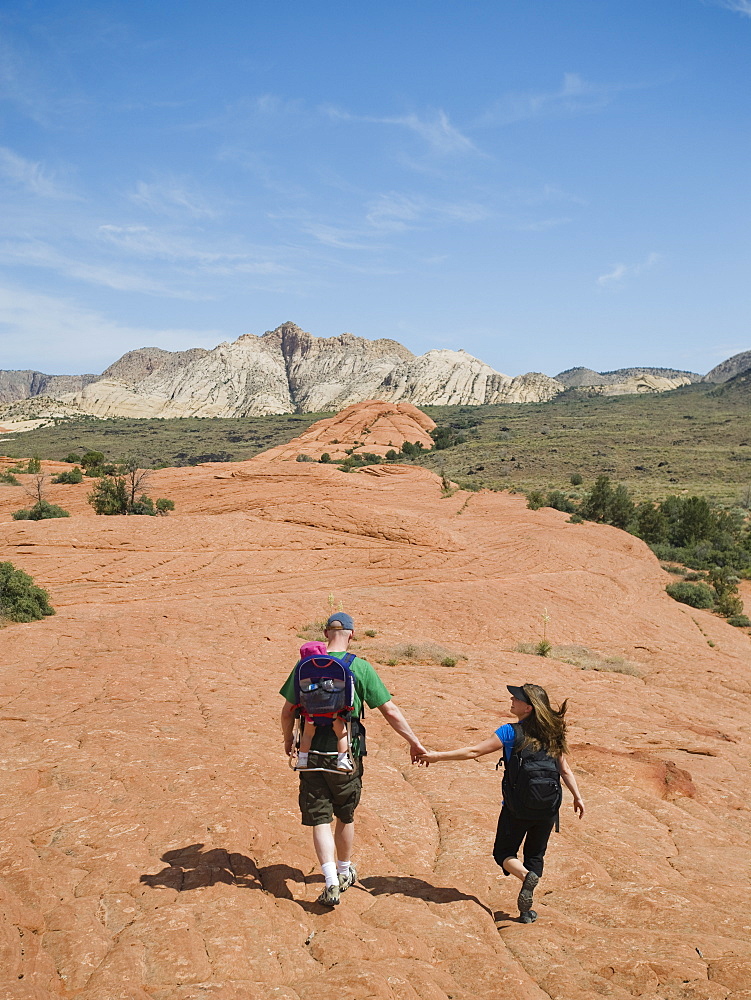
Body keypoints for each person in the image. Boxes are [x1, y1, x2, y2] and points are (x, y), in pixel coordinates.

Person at [280, 612, 427, 907]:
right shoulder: (359, 667)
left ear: (325, 633)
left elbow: (287, 711)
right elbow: (390, 710)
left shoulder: (304, 666)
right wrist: (414, 742)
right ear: (351, 634)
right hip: (346, 753)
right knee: (344, 815)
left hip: (311, 755)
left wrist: (290, 742)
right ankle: (345, 871)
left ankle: (330, 881)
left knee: (320, 818)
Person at [417, 682, 584, 923]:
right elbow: (564, 769)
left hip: (517, 807)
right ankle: (526, 911)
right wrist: (578, 797)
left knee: (503, 852)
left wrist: (437, 757)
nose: (511, 700)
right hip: (548, 807)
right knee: (535, 854)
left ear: (528, 707)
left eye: (516, 699)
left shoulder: (510, 732)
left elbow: (474, 751)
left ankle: (526, 876)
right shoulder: (552, 734)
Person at [294, 640, 353, 772]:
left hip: (310, 712)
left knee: (307, 735)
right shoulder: (334, 669)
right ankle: (342, 760)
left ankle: (302, 759)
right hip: (333, 711)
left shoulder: (303, 673)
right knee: (342, 734)